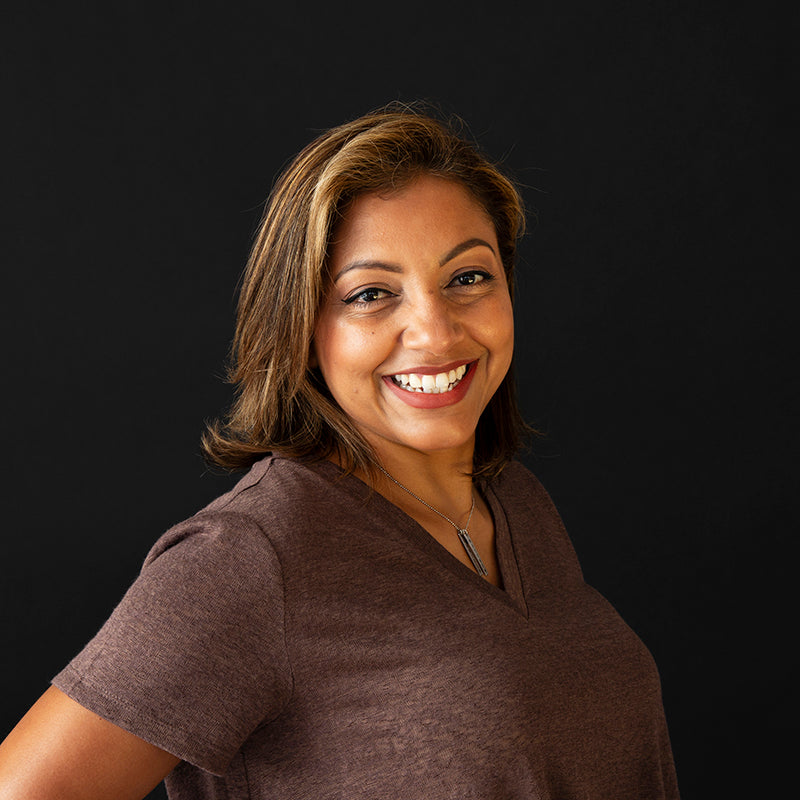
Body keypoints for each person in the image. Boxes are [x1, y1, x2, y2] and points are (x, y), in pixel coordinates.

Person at [0, 103, 680, 799]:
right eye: (371, 294)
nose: (436, 333)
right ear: (302, 326)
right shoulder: (252, 558)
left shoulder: (516, 505)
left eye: (468, 277)